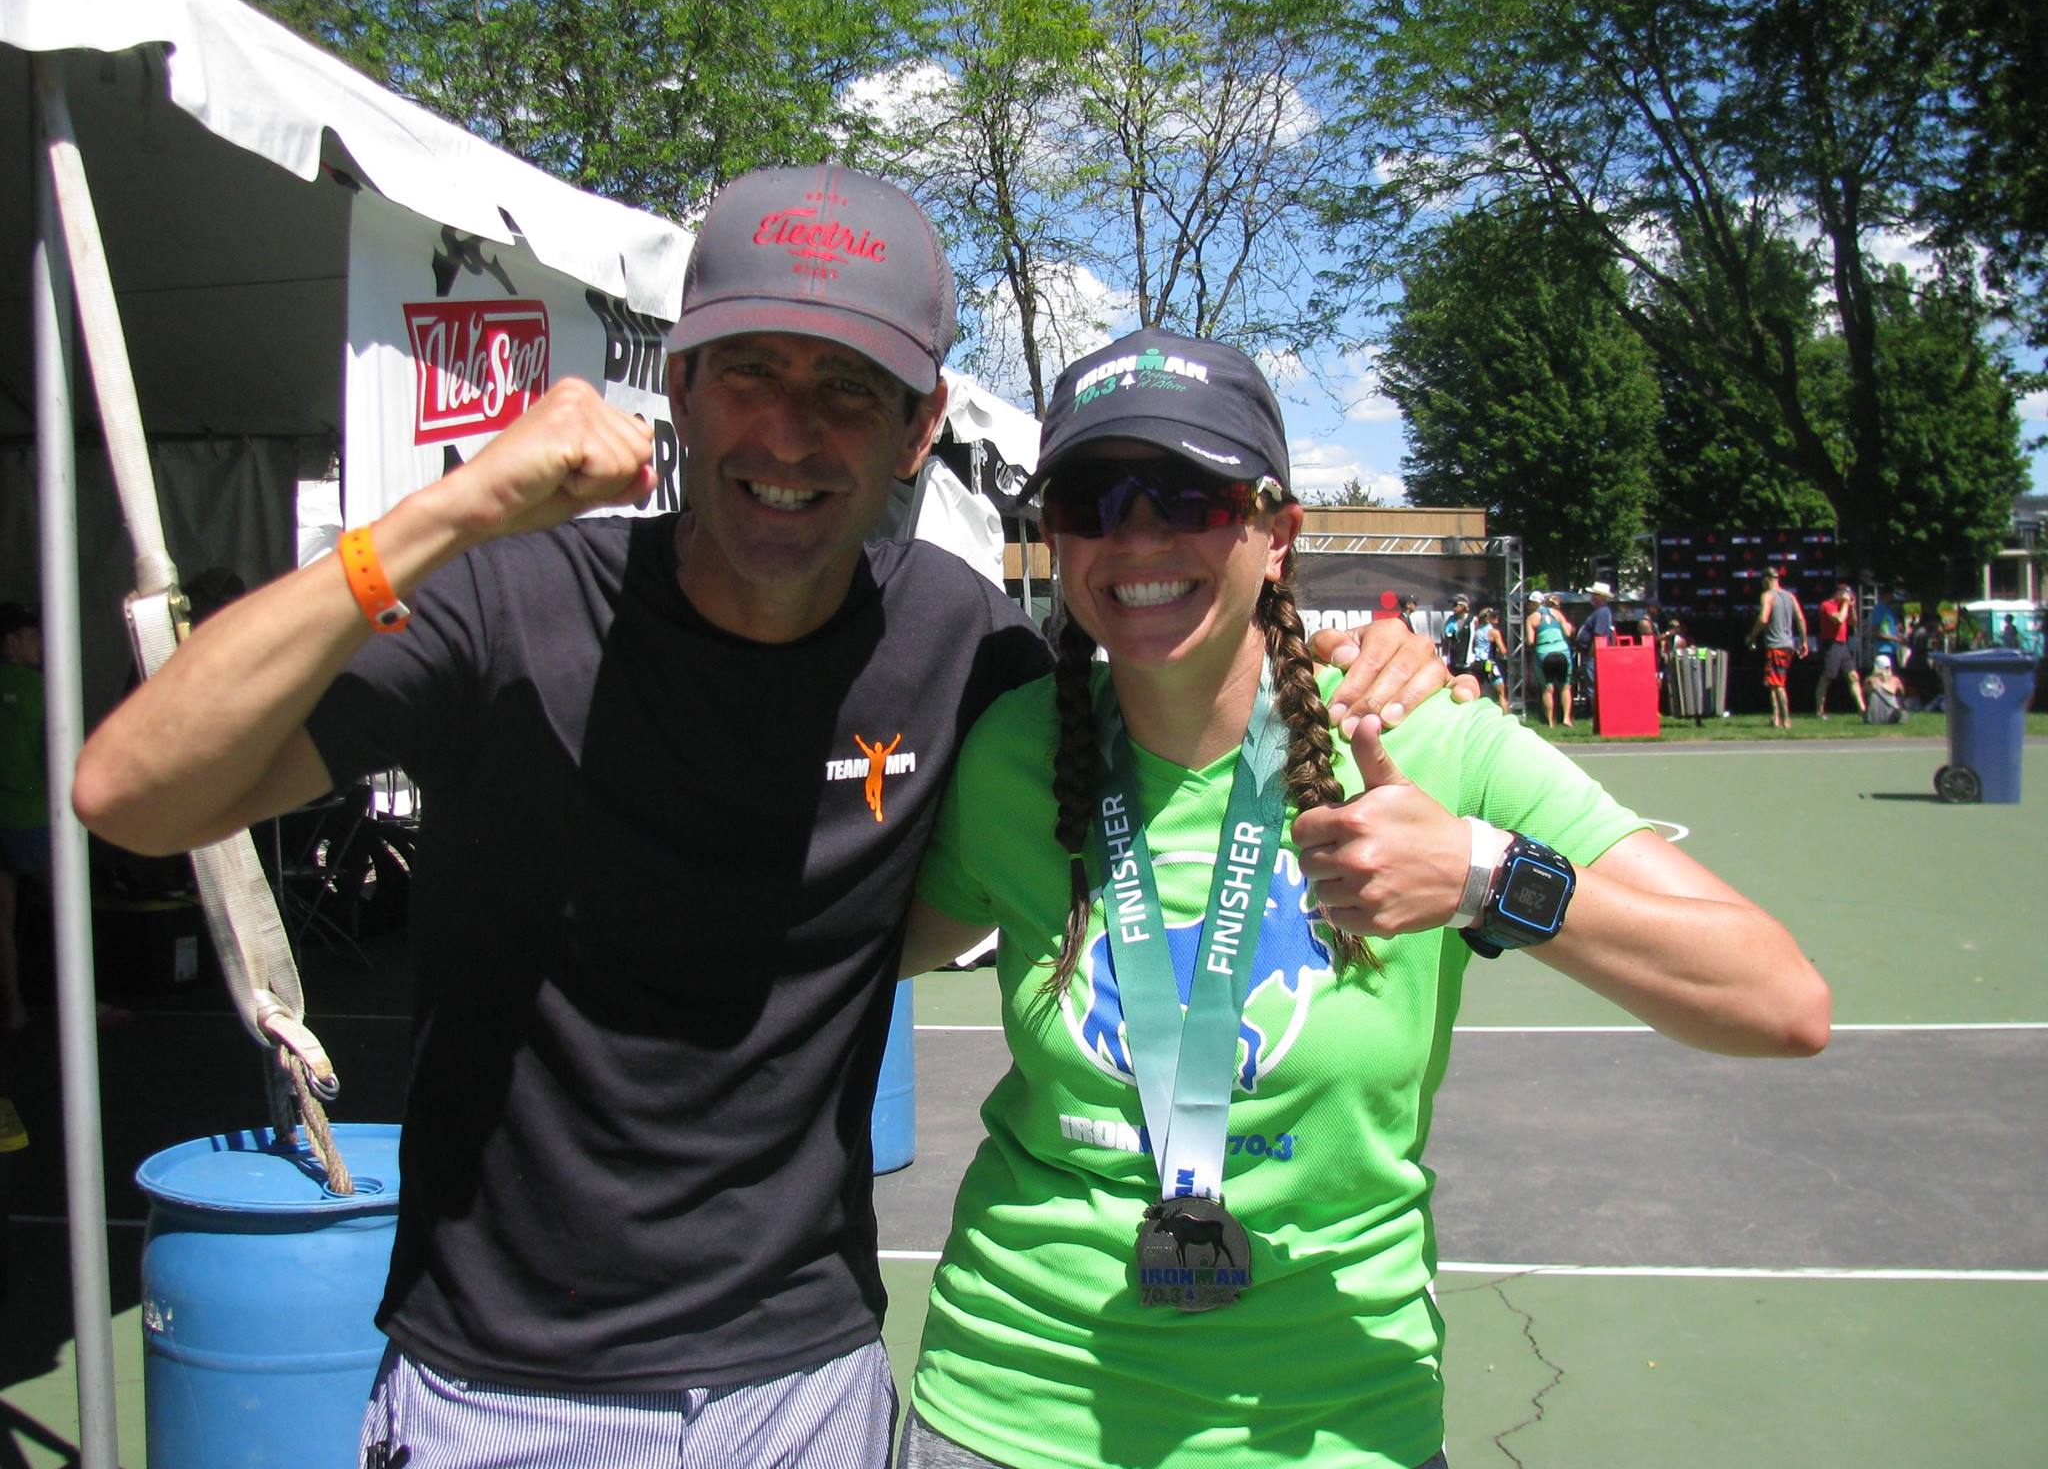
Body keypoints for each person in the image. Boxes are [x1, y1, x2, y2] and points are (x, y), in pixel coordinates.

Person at [72, 165, 1459, 1467]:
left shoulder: (958, 644)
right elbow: (131, 793)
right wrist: (448, 512)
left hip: (804, 1388)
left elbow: (1175, 701)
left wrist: (1364, 664)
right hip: (498, 1391)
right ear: (679, 387)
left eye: (848, 390)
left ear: (919, 430)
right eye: (748, 372)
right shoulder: (509, 604)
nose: (790, 434)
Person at [893, 329, 1830, 1469]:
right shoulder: (1010, 753)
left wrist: (1484, 876)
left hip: (1335, 1421)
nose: (1137, 537)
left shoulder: (1420, 741)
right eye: (1093, 500)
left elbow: (1781, 1001)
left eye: (1189, 496)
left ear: (1277, 533)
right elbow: (843, 950)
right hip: (1009, 1406)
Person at [1, 604, 44, 1037]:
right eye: (33, 635)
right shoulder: (38, 687)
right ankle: (86, 999)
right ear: (11, 642)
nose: (41, 643)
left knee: (4, 921)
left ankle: (14, 1008)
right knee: (70, 909)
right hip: (33, 818)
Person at [1747, 569, 1809, 729]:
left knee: (1778, 684)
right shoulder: (1790, 596)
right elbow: (1800, 618)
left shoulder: (1768, 596)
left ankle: (1786, 719)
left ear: (1767, 579)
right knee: (1773, 683)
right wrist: (1804, 641)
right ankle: (1775, 718)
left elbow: (1763, 618)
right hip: (1788, 645)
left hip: (1776, 645)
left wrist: (1752, 635)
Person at [1814, 579, 1865, 720]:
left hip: (1843, 645)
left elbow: (1853, 622)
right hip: (1831, 644)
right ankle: (1819, 710)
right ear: (1839, 594)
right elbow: (1839, 619)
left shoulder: (1844, 606)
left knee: (1853, 676)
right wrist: (1846, 604)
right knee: (1827, 678)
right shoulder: (1827, 605)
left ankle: (1862, 709)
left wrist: (1852, 607)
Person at [1526, 592, 1574, 727]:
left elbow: (1530, 641)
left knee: (1547, 688)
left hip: (1544, 652)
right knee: (1565, 686)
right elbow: (1568, 633)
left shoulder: (1531, 618)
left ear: (1533, 603)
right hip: (1562, 650)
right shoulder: (1557, 613)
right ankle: (1566, 718)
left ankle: (1550, 721)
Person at [1573, 580, 1616, 715]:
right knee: (1591, 684)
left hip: (1593, 655)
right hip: (1591, 654)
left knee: (1593, 685)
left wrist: (1591, 655)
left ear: (1600, 597)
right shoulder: (1599, 612)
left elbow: (1599, 636)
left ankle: (1598, 713)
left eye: (1594, 595)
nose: (1592, 597)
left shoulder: (1602, 612)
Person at [1472, 605, 1510, 714]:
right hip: (1489, 663)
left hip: (1477, 663)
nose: (1497, 618)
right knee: (1501, 693)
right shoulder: (1493, 632)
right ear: (1488, 619)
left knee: (1478, 693)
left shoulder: (1477, 631)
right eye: (1494, 616)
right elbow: (1503, 650)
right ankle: (1505, 717)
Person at [1865, 653, 1906, 724]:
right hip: (1892, 718)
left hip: (1872, 719)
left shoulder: (1869, 680)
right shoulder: (1895, 680)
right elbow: (1902, 693)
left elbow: (1865, 695)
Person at [1440, 592, 1475, 677]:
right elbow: (1446, 640)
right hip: (1453, 663)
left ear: (1464, 606)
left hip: (1469, 663)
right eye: (1453, 605)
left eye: (1456, 605)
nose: (1453, 607)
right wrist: (1444, 657)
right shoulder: (1450, 620)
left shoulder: (1473, 620)